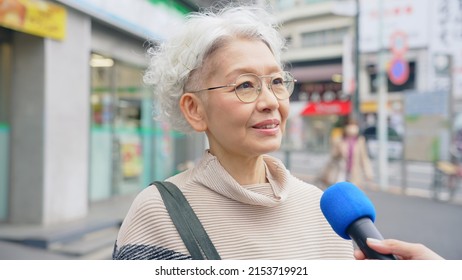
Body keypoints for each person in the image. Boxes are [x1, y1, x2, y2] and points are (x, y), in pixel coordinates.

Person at [112, 4, 442, 260]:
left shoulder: (324, 209)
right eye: (245, 85)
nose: (270, 101)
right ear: (194, 110)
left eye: (277, 82)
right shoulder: (157, 213)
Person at [320, 119, 374, 189]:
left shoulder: (360, 140)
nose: (352, 128)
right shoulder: (339, 139)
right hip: (340, 172)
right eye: (350, 126)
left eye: (354, 126)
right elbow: (333, 156)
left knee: (352, 194)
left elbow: (364, 158)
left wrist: (368, 173)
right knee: (340, 192)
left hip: (354, 173)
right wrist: (339, 149)